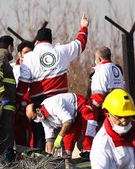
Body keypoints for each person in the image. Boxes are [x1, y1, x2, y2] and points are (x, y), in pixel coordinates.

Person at [16, 14, 89, 149]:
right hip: (61, 100)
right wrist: (83, 27)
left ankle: (41, 159)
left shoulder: (29, 57)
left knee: (39, 134)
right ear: (51, 41)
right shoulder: (61, 51)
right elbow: (80, 44)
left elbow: (23, 84)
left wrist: (19, 101)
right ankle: (62, 158)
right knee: (63, 132)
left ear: (37, 42)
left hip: (38, 103)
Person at [82, 46, 125, 156]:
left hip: (104, 110)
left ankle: (88, 151)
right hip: (116, 108)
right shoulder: (116, 69)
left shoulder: (101, 70)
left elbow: (98, 95)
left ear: (99, 59)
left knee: (91, 126)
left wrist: (90, 108)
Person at [25, 92, 95, 157]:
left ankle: (89, 153)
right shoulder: (43, 118)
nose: (36, 120)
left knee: (88, 130)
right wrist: (49, 154)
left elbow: (68, 121)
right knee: (67, 140)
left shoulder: (52, 105)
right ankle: (67, 158)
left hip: (82, 106)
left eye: (34, 118)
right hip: (72, 116)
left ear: (38, 110)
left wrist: (59, 138)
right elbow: (50, 138)